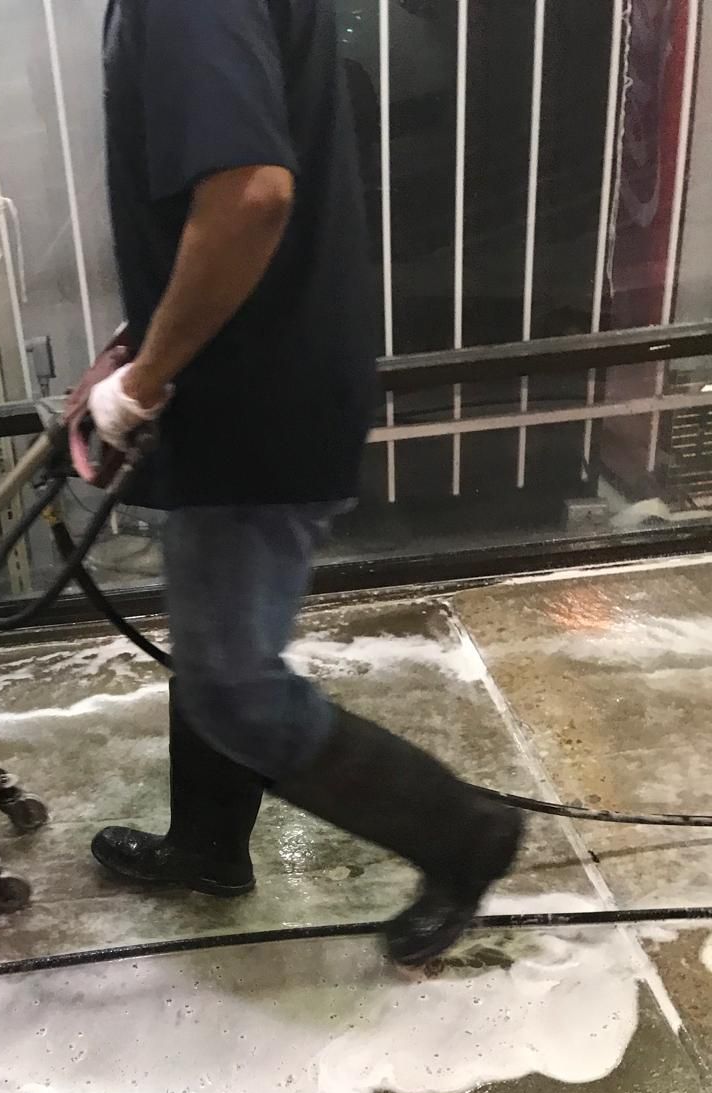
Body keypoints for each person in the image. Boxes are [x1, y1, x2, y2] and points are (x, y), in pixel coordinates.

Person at [88, 0, 523, 967]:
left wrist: (151, 376)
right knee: (214, 640)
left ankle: (466, 836)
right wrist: (150, 340)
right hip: (258, 373)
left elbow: (250, 195)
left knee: (235, 681)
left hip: (253, 390)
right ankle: (206, 844)